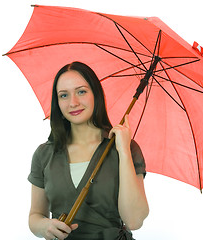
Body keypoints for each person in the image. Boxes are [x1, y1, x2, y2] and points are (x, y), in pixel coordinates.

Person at [28, 62, 149, 240]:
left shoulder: (125, 148)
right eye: (64, 95)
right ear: (57, 103)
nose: (73, 102)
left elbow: (134, 221)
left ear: (96, 95)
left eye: (81, 91)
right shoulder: (44, 154)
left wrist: (123, 151)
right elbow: (35, 216)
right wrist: (44, 226)